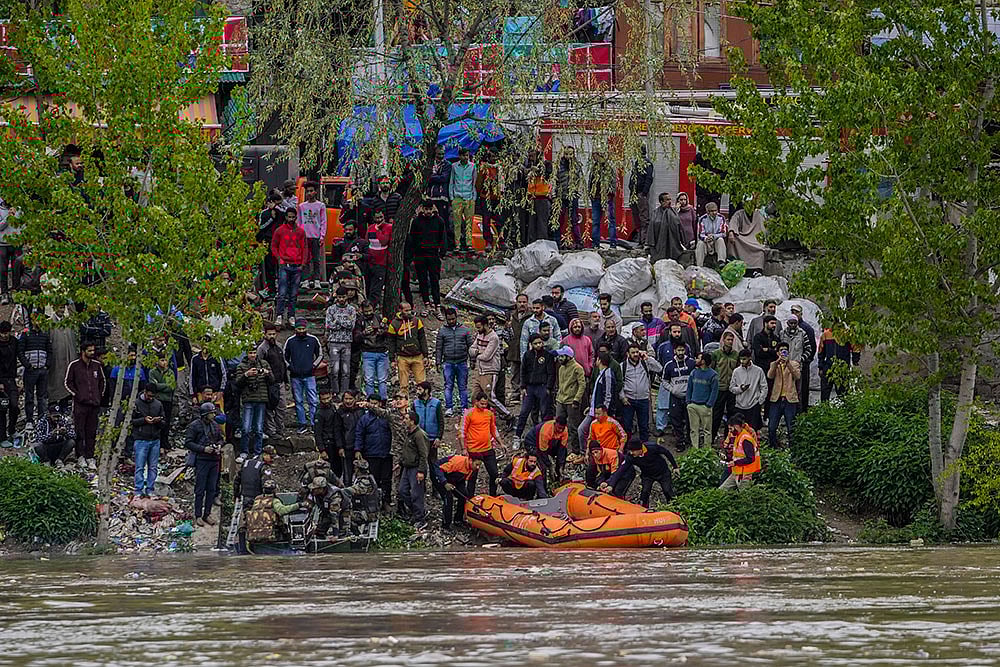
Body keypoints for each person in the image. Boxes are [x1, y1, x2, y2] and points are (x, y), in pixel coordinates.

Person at [603, 438, 679, 507]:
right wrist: (611, 485)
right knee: (645, 492)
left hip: (663, 472)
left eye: (633, 451)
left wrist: (675, 467)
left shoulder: (652, 447)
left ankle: (673, 507)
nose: (631, 453)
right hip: (647, 475)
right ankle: (644, 509)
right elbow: (621, 470)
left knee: (667, 490)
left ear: (640, 449)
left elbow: (666, 452)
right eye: (630, 451)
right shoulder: (630, 457)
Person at [64, 341, 105, 469]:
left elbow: (102, 382)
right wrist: (78, 395)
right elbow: (67, 383)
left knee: (91, 432)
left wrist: (98, 396)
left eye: (93, 351)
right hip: (80, 405)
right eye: (90, 351)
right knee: (79, 431)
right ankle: (80, 456)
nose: (92, 353)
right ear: (83, 351)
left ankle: (90, 457)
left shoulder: (97, 366)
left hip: (94, 405)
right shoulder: (74, 366)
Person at [185, 402, 224, 527]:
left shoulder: (215, 425)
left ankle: (207, 514)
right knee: (200, 489)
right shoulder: (194, 426)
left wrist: (219, 445)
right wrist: (203, 449)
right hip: (202, 459)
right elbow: (188, 442)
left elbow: (221, 438)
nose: (213, 415)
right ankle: (198, 515)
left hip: (214, 459)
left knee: (212, 488)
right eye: (211, 413)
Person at [271, 206, 309, 328]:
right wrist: (279, 259)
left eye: (293, 217)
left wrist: (303, 263)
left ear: (296, 217)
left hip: (297, 265)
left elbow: (305, 248)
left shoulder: (301, 232)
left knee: (293, 293)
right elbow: (273, 246)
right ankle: (279, 315)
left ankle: (291, 315)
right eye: (289, 217)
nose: (291, 219)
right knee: (282, 292)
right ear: (286, 217)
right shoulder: (279, 230)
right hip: (285, 264)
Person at [355, 394, 393, 511]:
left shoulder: (386, 417)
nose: (374, 406)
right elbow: (359, 435)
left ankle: (386, 501)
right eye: (371, 403)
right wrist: (358, 450)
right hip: (371, 453)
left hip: (386, 453)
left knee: (386, 479)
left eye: (376, 403)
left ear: (380, 404)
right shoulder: (364, 419)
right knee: (373, 480)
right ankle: (374, 502)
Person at [460, 392, 503, 496]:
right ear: (476, 402)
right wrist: (464, 449)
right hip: (473, 450)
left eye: (485, 404)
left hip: (487, 449)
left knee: (494, 474)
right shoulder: (469, 413)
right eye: (482, 404)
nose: (484, 406)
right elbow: (462, 431)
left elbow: (493, 429)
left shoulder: (489, 414)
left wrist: (501, 443)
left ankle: (493, 496)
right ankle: (470, 498)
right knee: (472, 476)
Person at [283, 320, 323, 433]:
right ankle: (302, 423)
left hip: (310, 375)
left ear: (306, 328)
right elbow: (284, 356)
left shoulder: (313, 339)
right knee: (298, 400)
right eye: (299, 329)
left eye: (303, 329)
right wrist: (290, 367)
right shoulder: (290, 341)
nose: (301, 331)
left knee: (313, 400)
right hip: (295, 376)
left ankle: (314, 424)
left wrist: (314, 366)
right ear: (295, 329)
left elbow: (320, 354)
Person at [574, 351, 616, 456]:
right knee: (583, 430)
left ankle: (589, 453)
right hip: (595, 410)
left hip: (600, 412)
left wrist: (603, 411)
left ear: (599, 360)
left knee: (586, 431)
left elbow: (608, 395)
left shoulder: (607, 375)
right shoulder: (601, 373)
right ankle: (586, 452)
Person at [234, 347, 273, 457]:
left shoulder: (264, 364)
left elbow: (272, 380)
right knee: (246, 428)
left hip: (261, 399)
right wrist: (246, 375)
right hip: (248, 399)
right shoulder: (241, 366)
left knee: (259, 428)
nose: (252, 355)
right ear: (247, 354)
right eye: (250, 353)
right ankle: (244, 451)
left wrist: (267, 374)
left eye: (254, 353)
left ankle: (257, 452)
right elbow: (237, 383)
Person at [619, 342, 661, 443]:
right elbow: (619, 383)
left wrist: (648, 358)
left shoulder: (644, 363)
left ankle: (645, 446)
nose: (636, 354)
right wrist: (622, 397)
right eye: (633, 352)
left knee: (644, 425)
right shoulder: (623, 366)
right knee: (627, 425)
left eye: (637, 352)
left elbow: (659, 368)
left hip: (643, 399)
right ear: (628, 354)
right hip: (629, 400)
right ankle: (627, 446)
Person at [410, 199, 446, 315]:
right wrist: (413, 254)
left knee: (435, 280)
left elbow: (443, 237)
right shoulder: (416, 221)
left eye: (430, 209)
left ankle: (437, 305)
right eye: (426, 209)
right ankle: (426, 304)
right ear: (422, 209)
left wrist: (441, 253)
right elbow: (412, 238)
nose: (428, 211)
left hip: (433, 254)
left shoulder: (439, 221)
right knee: (422, 280)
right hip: (420, 255)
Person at [470, 315, 510, 420]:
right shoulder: (480, 335)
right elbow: (471, 349)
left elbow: (486, 356)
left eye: (479, 327)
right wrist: (478, 352)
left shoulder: (494, 337)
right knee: (474, 396)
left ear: (486, 325)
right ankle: (479, 417)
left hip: (490, 370)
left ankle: (508, 415)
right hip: (480, 370)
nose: (477, 330)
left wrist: (477, 353)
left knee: (490, 397)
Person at [388, 302, 430, 400]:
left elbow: (422, 338)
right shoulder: (394, 324)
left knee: (422, 383)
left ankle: (423, 403)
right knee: (403, 385)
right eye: (406, 310)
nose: (409, 312)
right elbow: (391, 342)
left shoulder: (416, 321)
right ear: (400, 310)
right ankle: (405, 407)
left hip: (417, 355)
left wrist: (426, 355)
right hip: (402, 357)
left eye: (410, 310)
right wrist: (392, 359)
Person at [516, 334, 556, 437]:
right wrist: (523, 387)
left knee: (545, 413)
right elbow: (523, 372)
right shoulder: (527, 355)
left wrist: (548, 388)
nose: (538, 345)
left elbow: (551, 373)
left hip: (543, 386)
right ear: (531, 344)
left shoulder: (547, 355)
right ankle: (518, 435)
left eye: (540, 343)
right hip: (530, 387)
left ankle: (546, 435)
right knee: (524, 412)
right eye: (535, 343)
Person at [436, 307, 473, 416]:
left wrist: (473, 360)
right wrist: (438, 362)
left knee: (463, 386)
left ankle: (464, 408)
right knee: (448, 386)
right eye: (449, 319)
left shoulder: (465, 330)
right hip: (448, 363)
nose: (451, 321)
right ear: (446, 319)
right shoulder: (442, 331)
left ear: (456, 317)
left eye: (453, 319)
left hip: (462, 362)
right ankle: (449, 407)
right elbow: (439, 348)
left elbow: (470, 346)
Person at [130, 382, 164, 497]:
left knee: (153, 467)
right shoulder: (136, 404)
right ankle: (138, 490)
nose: (150, 398)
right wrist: (144, 420)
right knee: (139, 466)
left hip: (155, 439)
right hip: (141, 439)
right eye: (149, 396)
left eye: (152, 396)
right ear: (144, 392)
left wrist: (158, 421)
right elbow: (131, 421)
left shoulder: (158, 404)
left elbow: (164, 422)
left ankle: (150, 488)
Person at [245, 478, 300, 546]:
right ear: (274, 490)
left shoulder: (257, 499)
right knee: (284, 527)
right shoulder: (274, 501)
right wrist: (298, 505)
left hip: (253, 534)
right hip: (271, 533)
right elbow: (282, 511)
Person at [432, 454, 481, 528]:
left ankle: (458, 520)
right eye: (476, 464)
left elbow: (462, 479)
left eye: (479, 465)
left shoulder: (471, 468)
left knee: (463, 495)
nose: (478, 467)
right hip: (440, 475)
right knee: (448, 498)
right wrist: (445, 482)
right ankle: (446, 524)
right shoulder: (458, 462)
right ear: (470, 460)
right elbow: (438, 468)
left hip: (454, 478)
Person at [323, 287, 357, 396]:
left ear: (347, 296)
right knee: (334, 369)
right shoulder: (331, 309)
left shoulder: (351, 309)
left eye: (343, 297)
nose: (341, 299)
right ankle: (335, 392)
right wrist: (344, 322)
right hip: (333, 341)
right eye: (339, 297)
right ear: (336, 297)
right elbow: (329, 325)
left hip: (347, 341)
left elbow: (351, 326)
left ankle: (344, 392)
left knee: (346, 370)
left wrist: (337, 320)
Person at [398, 410, 429, 524]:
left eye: (406, 419)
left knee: (416, 494)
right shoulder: (409, 433)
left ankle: (420, 518)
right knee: (402, 491)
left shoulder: (419, 435)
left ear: (412, 421)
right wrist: (400, 462)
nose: (404, 421)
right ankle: (415, 512)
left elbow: (423, 454)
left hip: (416, 468)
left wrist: (421, 471)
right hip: (407, 467)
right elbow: (408, 451)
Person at [257, 323, 288, 440]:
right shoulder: (262, 349)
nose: (272, 336)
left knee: (282, 407)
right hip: (268, 383)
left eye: (274, 334)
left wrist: (286, 380)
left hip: (280, 382)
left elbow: (283, 365)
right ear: (265, 334)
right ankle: (271, 430)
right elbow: (259, 364)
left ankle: (280, 428)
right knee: (269, 408)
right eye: (269, 334)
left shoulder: (279, 346)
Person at [767, 342, 801, 448]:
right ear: (777, 352)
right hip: (776, 399)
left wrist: (788, 364)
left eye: (785, 350)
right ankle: (774, 447)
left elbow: (797, 376)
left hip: (789, 399)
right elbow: (770, 375)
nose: (783, 352)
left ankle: (792, 449)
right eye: (781, 350)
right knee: (771, 427)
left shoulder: (794, 364)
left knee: (791, 427)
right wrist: (777, 362)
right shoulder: (774, 364)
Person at [553, 346, 586, 456]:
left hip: (572, 402)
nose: (560, 358)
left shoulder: (577, 368)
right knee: (558, 424)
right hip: (560, 400)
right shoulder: (561, 368)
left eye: (562, 356)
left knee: (573, 427)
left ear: (568, 357)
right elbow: (560, 383)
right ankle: (558, 448)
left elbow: (582, 385)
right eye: (559, 356)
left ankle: (575, 450)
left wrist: (577, 399)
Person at [18, 316, 50, 424]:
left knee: (42, 396)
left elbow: (49, 350)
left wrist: (47, 365)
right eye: (38, 320)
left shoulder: (45, 334)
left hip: (42, 370)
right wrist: (27, 365)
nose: (40, 322)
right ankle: (29, 420)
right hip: (30, 371)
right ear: (33, 321)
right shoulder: (26, 333)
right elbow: (20, 351)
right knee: (29, 396)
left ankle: (41, 419)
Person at [663, 342, 696, 449]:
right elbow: (664, 381)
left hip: (689, 397)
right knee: (676, 420)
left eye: (682, 350)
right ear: (674, 351)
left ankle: (690, 440)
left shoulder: (691, 363)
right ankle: (680, 442)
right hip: (675, 397)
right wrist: (672, 390)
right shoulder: (669, 365)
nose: (681, 352)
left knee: (690, 419)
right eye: (679, 350)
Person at [523, 416, 569, 486]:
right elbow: (542, 451)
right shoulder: (546, 431)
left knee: (564, 452)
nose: (560, 430)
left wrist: (561, 465)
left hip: (549, 442)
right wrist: (550, 466)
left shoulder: (565, 430)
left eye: (562, 429)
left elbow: (562, 448)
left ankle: (559, 475)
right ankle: (543, 488)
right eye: (559, 428)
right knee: (542, 467)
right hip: (533, 442)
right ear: (555, 423)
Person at [711, 331, 740, 440]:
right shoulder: (716, 354)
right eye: (728, 339)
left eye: (732, 340)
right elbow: (712, 369)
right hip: (719, 387)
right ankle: (712, 437)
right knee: (717, 413)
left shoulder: (736, 354)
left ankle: (729, 437)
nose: (730, 342)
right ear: (723, 340)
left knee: (731, 413)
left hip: (731, 388)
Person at [818, 327, 860, 402]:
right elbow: (821, 351)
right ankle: (824, 410)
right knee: (825, 393)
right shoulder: (826, 335)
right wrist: (821, 367)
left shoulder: (847, 334)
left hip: (842, 368)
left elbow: (855, 348)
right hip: (828, 367)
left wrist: (855, 360)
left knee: (843, 393)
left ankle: (844, 410)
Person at [686, 352, 719, 448]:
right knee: (694, 429)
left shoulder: (713, 375)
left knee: (707, 430)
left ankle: (706, 450)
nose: (696, 360)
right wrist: (688, 402)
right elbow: (689, 388)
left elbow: (714, 391)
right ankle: (695, 449)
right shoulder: (694, 373)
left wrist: (709, 404)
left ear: (703, 361)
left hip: (705, 406)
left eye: (698, 358)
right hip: (693, 405)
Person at [781, 316, 814, 410]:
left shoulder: (802, 334)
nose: (792, 325)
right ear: (787, 323)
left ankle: (798, 414)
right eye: (791, 323)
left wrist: (801, 359)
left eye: (794, 323)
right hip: (784, 367)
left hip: (797, 368)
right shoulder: (782, 334)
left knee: (797, 391)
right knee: (785, 390)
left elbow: (808, 349)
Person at [729, 348, 768, 430]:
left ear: (750, 358)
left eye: (744, 359)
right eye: (741, 359)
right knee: (739, 430)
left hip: (753, 405)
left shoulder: (758, 370)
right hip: (739, 405)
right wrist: (740, 389)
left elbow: (764, 387)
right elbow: (731, 388)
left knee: (752, 430)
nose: (742, 361)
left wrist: (759, 401)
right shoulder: (736, 371)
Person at [298, 181, 327, 289]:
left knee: (316, 259)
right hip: (305, 236)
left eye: (311, 191)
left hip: (316, 236)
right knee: (305, 259)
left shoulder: (321, 206)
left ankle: (316, 280)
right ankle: (305, 279)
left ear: (315, 192)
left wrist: (322, 236)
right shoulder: (302, 206)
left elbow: (323, 221)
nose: (309, 193)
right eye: (307, 191)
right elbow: (299, 222)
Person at [359, 301, 390, 400]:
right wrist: (364, 333)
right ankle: (370, 400)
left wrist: (383, 331)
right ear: (362, 310)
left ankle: (383, 400)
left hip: (381, 351)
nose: (368, 313)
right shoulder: (360, 320)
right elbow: (355, 336)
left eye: (370, 311)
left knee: (382, 379)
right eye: (366, 311)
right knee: (369, 379)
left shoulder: (378, 317)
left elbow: (388, 333)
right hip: (368, 351)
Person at [555, 146, 585, 248]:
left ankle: (578, 242)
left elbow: (580, 180)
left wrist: (578, 191)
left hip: (573, 196)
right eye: (567, 154)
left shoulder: (576, 166)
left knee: (574, 220)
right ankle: (557, 242)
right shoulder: (559, 165)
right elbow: (555, 180)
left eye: (570, 154)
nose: (568, 156)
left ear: (574, 154)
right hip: (561, 196)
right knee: (560, 219)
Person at [720, 417, 761, 489]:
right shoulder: (739, 436)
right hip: (737, 471)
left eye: (730, 429)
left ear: (736, 426)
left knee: (744, 497)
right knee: (722, 491)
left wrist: (735, 463)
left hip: (744, 474)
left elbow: (750, 458)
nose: (730, 431)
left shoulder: (745, 439)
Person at [147, 352, 177, 452]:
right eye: (162, 360)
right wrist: (164, 385)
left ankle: (164, 442)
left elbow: (171, 386)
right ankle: (155, 441)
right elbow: (152, 386)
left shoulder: (170, 373)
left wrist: (159, 385)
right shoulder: (152, 372)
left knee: (166, 421)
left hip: (167, 400)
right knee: (156, 421)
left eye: (165, 360)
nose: (164, 362)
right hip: (157, 400)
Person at [726, 204, 768, 275]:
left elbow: (763, 230)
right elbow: (733, 222)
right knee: (733, 240)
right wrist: (731, 231)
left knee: (760, 250)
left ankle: (757, 270)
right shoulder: (739, 213)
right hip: (742, 238)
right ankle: (732, 262)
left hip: (755, 239)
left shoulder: (759, 215)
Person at [449, 149, 477, 253]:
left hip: (469, 197)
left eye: (467, 155)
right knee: (457, 223)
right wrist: (452, 197)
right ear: (459, 156)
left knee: (469, 222)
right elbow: (451, 182)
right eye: (464, 155)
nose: (466, 157)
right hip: (457, 197)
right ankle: (457, 245)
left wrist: (473, 197)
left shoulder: (473, 166)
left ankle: (469, 244)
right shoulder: (454, 166)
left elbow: (474, 182)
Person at [790, 304, 817, 411]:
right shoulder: (787, 330)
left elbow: (812, 347)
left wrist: (805, 360)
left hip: (802, 364)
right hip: (790, 365)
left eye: (796, 312)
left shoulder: (806, 328)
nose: (794, 314)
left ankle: (802, 411)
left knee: (803, 388)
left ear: (801, 314)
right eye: (792, 312)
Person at [588, 150, 617, 248]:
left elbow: (613, 183)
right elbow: (591, 181)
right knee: (596, 221)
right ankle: (595, 244)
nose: (594, 158)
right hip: (596, 198)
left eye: (595, 155)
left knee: (610, 221)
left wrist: (609, 194)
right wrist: (591, 193)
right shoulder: (594, 168)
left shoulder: (609, 168)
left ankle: (613, 244)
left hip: (607, 198)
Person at [32, 403, 75, 467]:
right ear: (49, 414)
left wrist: (66, 433)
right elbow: (38, 438)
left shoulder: (63, 420)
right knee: (38, 445)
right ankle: (46, 461)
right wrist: (51, 434)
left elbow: (74, 435)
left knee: (71, 442)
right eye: (54, 416)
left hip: (58, 446)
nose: (56, 419)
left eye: (58, 416)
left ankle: (60, 460)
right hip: (47, 447)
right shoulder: (42, 422)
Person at [475, 146, 502, 250]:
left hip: (497, 197)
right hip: (485, 197)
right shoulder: (484, 168)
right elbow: (479, 183)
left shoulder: (500, 167)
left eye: (495, 156)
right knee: (486, 220)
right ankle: (488, 241)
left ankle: (501, 240)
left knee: (500, 219)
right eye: (492, 156)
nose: (493, 158)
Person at [334, 389, 363, 483]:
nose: (348, 401)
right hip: (347, 447)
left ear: (355, 399)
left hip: (361, 447)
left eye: (350, 398)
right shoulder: (340, 412)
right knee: (347, 474)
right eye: (346, 398)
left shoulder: (360, 411)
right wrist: (340, 447)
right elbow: (337, 431)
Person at [427, 148, 453, 249]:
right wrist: (435, 177)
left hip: (442, 197)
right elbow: (426, 178)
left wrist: (432, 176)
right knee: (430, 222)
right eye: (439, 154)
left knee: (443, 222)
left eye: (442, 154)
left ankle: (444, 246)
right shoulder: (430, 163)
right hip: (431, 196)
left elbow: (444, 178)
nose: (441, 156)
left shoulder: (447, 165)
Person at [412, 381, 444, 463]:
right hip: (419, 437)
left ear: (426, 391)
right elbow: (413, 421)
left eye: (420, 389)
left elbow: (441, 421)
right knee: (418, 462)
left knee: (433, 463)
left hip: (432, 439)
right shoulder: (415, 403)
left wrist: (438, 437)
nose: (417, 392)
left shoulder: (436, 403)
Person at [526, 150, 554, 243]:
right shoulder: (529, 165)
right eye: (529, 156)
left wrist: (537, 170)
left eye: (532, 156)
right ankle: (531, 242)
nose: (530, 158)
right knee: (531, 223)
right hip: (531, 197)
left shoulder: (546, 164)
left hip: (542, 196)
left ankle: (543, 243)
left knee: (542, 222)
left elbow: (548, 175)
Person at [629, 146, 654, 245]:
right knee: (637, 217)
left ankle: (643, 241)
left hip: (639, 194)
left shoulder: (647, 163)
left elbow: (649, 178)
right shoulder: (637, 163)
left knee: (643, 217)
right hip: (634, 194)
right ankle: (640, 239)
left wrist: (644, 193)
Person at [365, 211, 392, 302]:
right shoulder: (370, 228)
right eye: (377, 218)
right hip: (370, 262)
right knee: (368, 287)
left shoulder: (388, 227)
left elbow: (384, 241)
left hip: (381, 263)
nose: (379, 220)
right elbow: (367, 243)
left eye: (381, 217)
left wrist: (378, 230)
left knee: (376, 289)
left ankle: (374, 306)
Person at [648, 192, 684, 262]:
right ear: (661, 201)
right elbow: (652, 227)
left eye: (670, 199)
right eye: (667, 200)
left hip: (672, 242)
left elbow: (678, 225)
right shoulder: (655, 213)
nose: (669, 201)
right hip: (659, 242)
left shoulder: (673, 212)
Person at [508, 294, 531, 394]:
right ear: (516, 303)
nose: (522, 304)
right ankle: (515, 393)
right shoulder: (512, 316)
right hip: (514, 350)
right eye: (520, 302)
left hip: (526, 350)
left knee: (527, 373)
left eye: (524, 302)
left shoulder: (531, 316)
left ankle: (527, 394)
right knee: (514, 373)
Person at [695, 202, 728, 266]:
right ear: (707, 212)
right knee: (700, 244)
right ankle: (699, 265)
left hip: (716, 240)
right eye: (712, 211)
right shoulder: (702, 219)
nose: (714, 213)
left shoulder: (721, 218)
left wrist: (714, 236)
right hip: (706, 241)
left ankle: (721, 262)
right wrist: (706, 238)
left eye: (716, 210)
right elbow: (700, 234)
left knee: (720, 240)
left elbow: (724, 233)